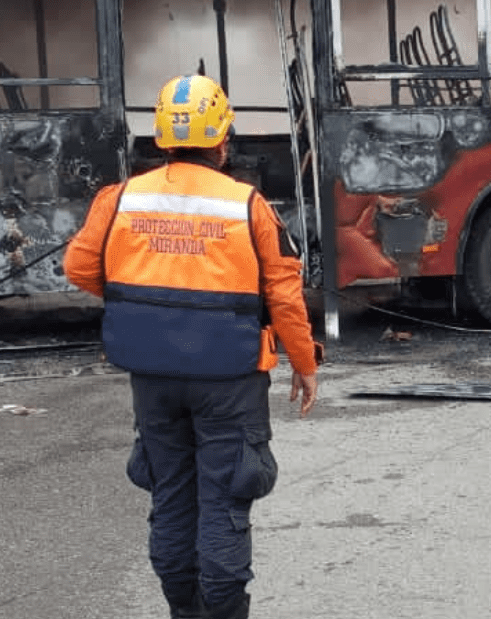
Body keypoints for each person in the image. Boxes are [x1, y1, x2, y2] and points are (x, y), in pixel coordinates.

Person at [63, 74, 319, 619]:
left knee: (172, 499)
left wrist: (147, 296)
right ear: (223, 140)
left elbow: (80, 267)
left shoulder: (120, 199)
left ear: (161, 140)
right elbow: (284, 295)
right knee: (225, 501)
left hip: (152, 377)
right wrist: (305, 362)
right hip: (230, 378)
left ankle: (185, 610)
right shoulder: (246, 204)